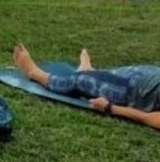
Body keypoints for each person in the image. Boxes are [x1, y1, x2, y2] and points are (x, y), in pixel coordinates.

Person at [13, 44, 160, 129]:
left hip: (132, 91)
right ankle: (88, 71)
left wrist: (110, 108)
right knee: (104, 75)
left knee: (79, 81)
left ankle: (34, 73)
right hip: (150, 75)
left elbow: (152, 119)